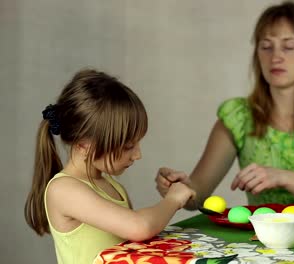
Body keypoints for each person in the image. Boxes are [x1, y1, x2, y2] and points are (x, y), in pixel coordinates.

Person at [156, 1, 294, 210]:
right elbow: (197, 197)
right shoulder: (237, 117)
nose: (276, 57)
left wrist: (284, 177)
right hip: (263, 243)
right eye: (266, 47)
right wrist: (178, 189)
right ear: (257, 55)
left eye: (289, 46)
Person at [24, 69, 195, 264]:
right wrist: (173, 199)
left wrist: (179, 193)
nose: (138, 155)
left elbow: (134, 247)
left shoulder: (112, 186)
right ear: (84, 144)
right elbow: (139, 227)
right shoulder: (63, 189)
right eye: (128, 146)